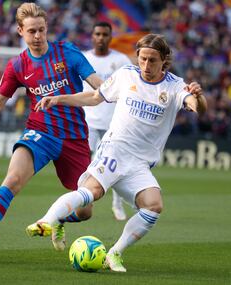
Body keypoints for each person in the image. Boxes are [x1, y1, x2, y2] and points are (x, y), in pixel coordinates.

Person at [26, 34, 207, 272]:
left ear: (164, 60)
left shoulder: (174, 85)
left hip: (140, 163)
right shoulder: (126, 75)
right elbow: (93, 97)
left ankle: (114, 253)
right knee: (92, 193)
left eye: (152, 60)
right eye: (142, 58)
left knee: (153, 206)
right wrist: (58, 99)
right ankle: (46, 222)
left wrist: (198, 96)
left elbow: (197, 108)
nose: (146, 65)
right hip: (115, 149)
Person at [0, 2, 103, 256]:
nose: (38, 36)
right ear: (20, 31)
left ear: (47, 27)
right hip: (40, 132)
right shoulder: (17, 65)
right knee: (13, 179)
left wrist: (113, 88)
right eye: (31, 31)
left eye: (41, 30)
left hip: (75, 138)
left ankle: (59, 219)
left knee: (86, 210)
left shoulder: (68, 54)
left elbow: (99, 88)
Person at [82, 22, 132, 221]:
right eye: (97, 34)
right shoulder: (84, 59)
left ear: (111, 37)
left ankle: (117, 204)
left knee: (116, 165)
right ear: (92, 36)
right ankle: (84, 201)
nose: (101, 37)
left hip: (114, 123)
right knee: (84, 163)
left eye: (105, 34)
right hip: (89, 121)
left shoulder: (120, 60)